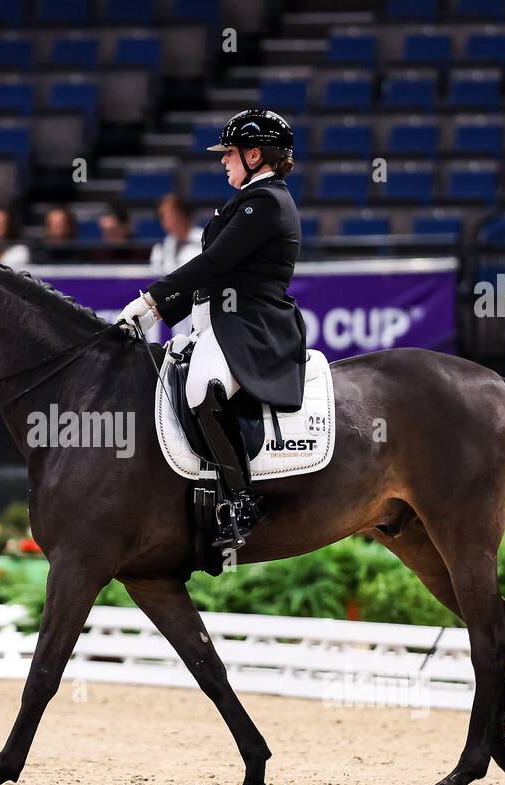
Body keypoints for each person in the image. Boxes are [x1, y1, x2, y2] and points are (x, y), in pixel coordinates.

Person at [117, 108, 304, 551]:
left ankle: (243, 500)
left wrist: (152, 298)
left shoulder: (266, 202)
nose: (223, 160)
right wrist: (155, 315)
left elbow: (214, 264)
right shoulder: (249, 200)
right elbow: (214, 278)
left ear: (255, 154)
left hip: (253, 325)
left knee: (203, 385)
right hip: (221, 320)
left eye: (230, 153)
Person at [149, 193, 204, 274]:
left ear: (183, 214)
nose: (165, 221)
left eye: (170, 215)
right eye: (162, 217)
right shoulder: (163, 246)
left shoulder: (204, 238)